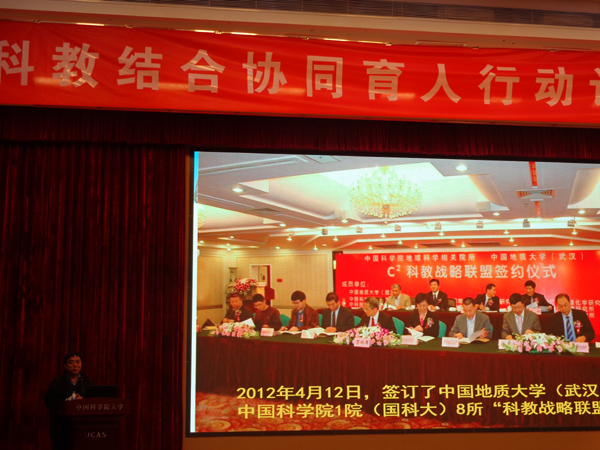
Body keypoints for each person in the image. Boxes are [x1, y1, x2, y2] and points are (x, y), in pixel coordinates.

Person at [44, 352, 94, 450]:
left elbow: (94, 401)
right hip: (61, 429)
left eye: (77, 362)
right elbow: (49, 401)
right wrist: (67, 402)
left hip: (83, 429)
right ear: (65, 366)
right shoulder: (57, 383)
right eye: (71, 362)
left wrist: (83, 401)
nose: (75, 365)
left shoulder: (87, 383)